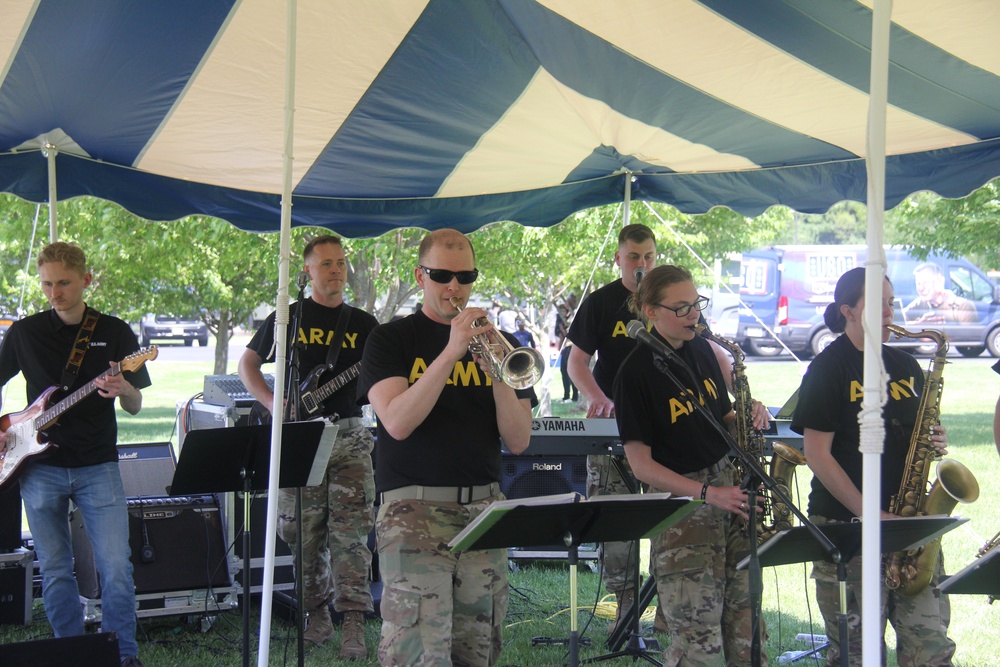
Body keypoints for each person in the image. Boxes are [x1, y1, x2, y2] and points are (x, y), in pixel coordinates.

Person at [357, 228, 536, 666]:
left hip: (484, 511)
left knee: (478, 647)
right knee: (418, 650)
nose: (454, 287)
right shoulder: (390, 339)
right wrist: (451, 352)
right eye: (441, 275)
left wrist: (496, 371)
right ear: (420, 276)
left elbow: (518, 439)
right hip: (412, 512)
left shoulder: (499, 344)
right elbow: (397, 421)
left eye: (465, 276)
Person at [791, 266, 956, 666]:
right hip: (849, 529)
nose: (889, 312)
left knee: (930, 647)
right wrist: (871, 514)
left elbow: (914, 432)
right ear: (848, 311)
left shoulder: (906, 367)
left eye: (891, 302)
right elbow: (817, 454)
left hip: (909, 523)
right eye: (878, 304)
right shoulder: (829, 369)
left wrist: (935, 441)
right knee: (858, 652)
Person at [0, 242, 151, 667]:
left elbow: (137, 405)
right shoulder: (25, 332)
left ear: (86, 280)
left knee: (115, 568)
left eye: (63, 283)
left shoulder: (117, 332)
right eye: (47, 283)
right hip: (37, 466)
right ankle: (68, 652)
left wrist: (125, 389)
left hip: (97, 464)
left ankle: (123, 655)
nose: (54, 292)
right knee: (54, 569)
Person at [613, 264, 769, 665]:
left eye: (696, 304)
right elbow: (641, 465)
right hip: (682, 509)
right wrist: (707, 494)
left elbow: (720, 418)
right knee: (698, 643)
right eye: (681, 308)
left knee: (747, 631)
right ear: (650, 311)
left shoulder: (700, 349)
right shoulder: (635, 373)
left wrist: (746, 413)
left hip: (729, 498)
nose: (693, 315)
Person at [238, 234, 378, 659]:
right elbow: (247, 363)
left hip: (351, 436)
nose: (336, 270)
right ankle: (315, 615)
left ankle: (353, 621)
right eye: (326, 264)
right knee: (300, 531)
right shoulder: (288, 317)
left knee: (351, 533)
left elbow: (382, 379)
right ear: (307, 270)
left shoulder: (365, 324)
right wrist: (272, 402)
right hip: (299, 436)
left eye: (341, 263)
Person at [566, 223, 658, 633]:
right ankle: (625, 606)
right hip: (610, 427)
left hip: (663, 429)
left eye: (649, 257)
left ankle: (668, 609)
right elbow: (576, 362)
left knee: (668, 516)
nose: (642, 265)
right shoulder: (601, 302)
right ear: (618, 258)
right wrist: (597, 397)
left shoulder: (669, 300)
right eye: (634, 257)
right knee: (616, 518)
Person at [902, 262, 977, 325]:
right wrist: (919, 324)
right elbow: (898, 322)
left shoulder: (963, 307)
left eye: (926, 282)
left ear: (940, 281)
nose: (921, 288)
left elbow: (969, 339)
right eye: (918, 283)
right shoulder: (919, 303)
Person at [555, 295, 578, 402]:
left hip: (571, 347)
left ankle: (574, 396)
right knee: (564, 371)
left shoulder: (574, 316)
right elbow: (559, 333)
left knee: (571, 371)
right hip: (564, 348)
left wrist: (562, 330)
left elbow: (568, 334)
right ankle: (566, 395)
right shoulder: (560, 319)